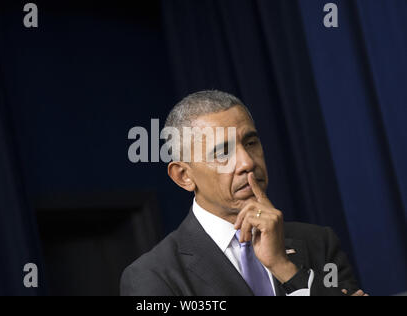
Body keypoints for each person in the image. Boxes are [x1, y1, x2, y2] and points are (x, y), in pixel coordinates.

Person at [120, 90, 367, 296]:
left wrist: (283, 267)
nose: (247, 162)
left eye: (250, 143)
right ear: (184, 176)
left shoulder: (320, 242)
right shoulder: (153, 276)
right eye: (223, 152)